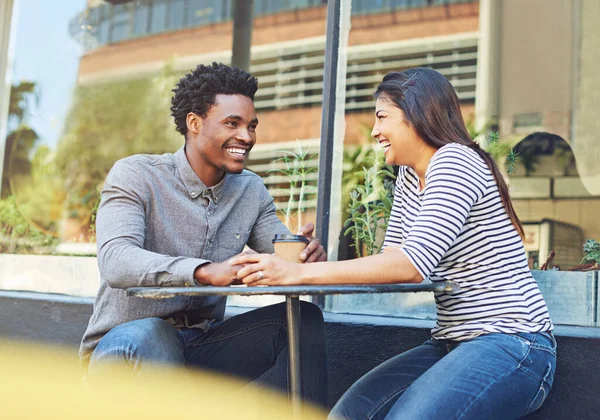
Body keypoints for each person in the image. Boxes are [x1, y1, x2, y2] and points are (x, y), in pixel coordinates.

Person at [230, 67, 556, 419]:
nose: (375, 131)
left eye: (382, 117)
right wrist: (310, 265)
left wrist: (294, 274)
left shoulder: (454, 160)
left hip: (515, 343)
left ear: (416, 113)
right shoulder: (409, 174)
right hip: (452, 343)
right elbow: (391, 263)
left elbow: (410, 266)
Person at [79, 62, 328, 407]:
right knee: (152, 333)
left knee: (303, 320)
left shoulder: (250, 190)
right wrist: (203, 271)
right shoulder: (136, 174)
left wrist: (303, 256)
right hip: (125, 350)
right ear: (194, 124)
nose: (247, 136)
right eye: (232, 123)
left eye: (251, 126)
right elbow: (116, 260)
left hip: (200, 347)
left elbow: (278, 248)